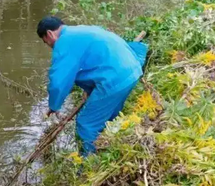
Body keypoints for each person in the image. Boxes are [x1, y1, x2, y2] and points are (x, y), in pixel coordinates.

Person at [37, 16, 148, 156]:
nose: (50, 46)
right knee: (108, 119)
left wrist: (54, 105)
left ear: (49, 34)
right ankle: (108, 151)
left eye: (46, 43)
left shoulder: (63, 42)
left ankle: (88, 164)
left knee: (86, 124)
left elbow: (59, 81)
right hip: (132, 71)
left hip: (114, 79)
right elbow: (92, 62)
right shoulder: (82, 30)